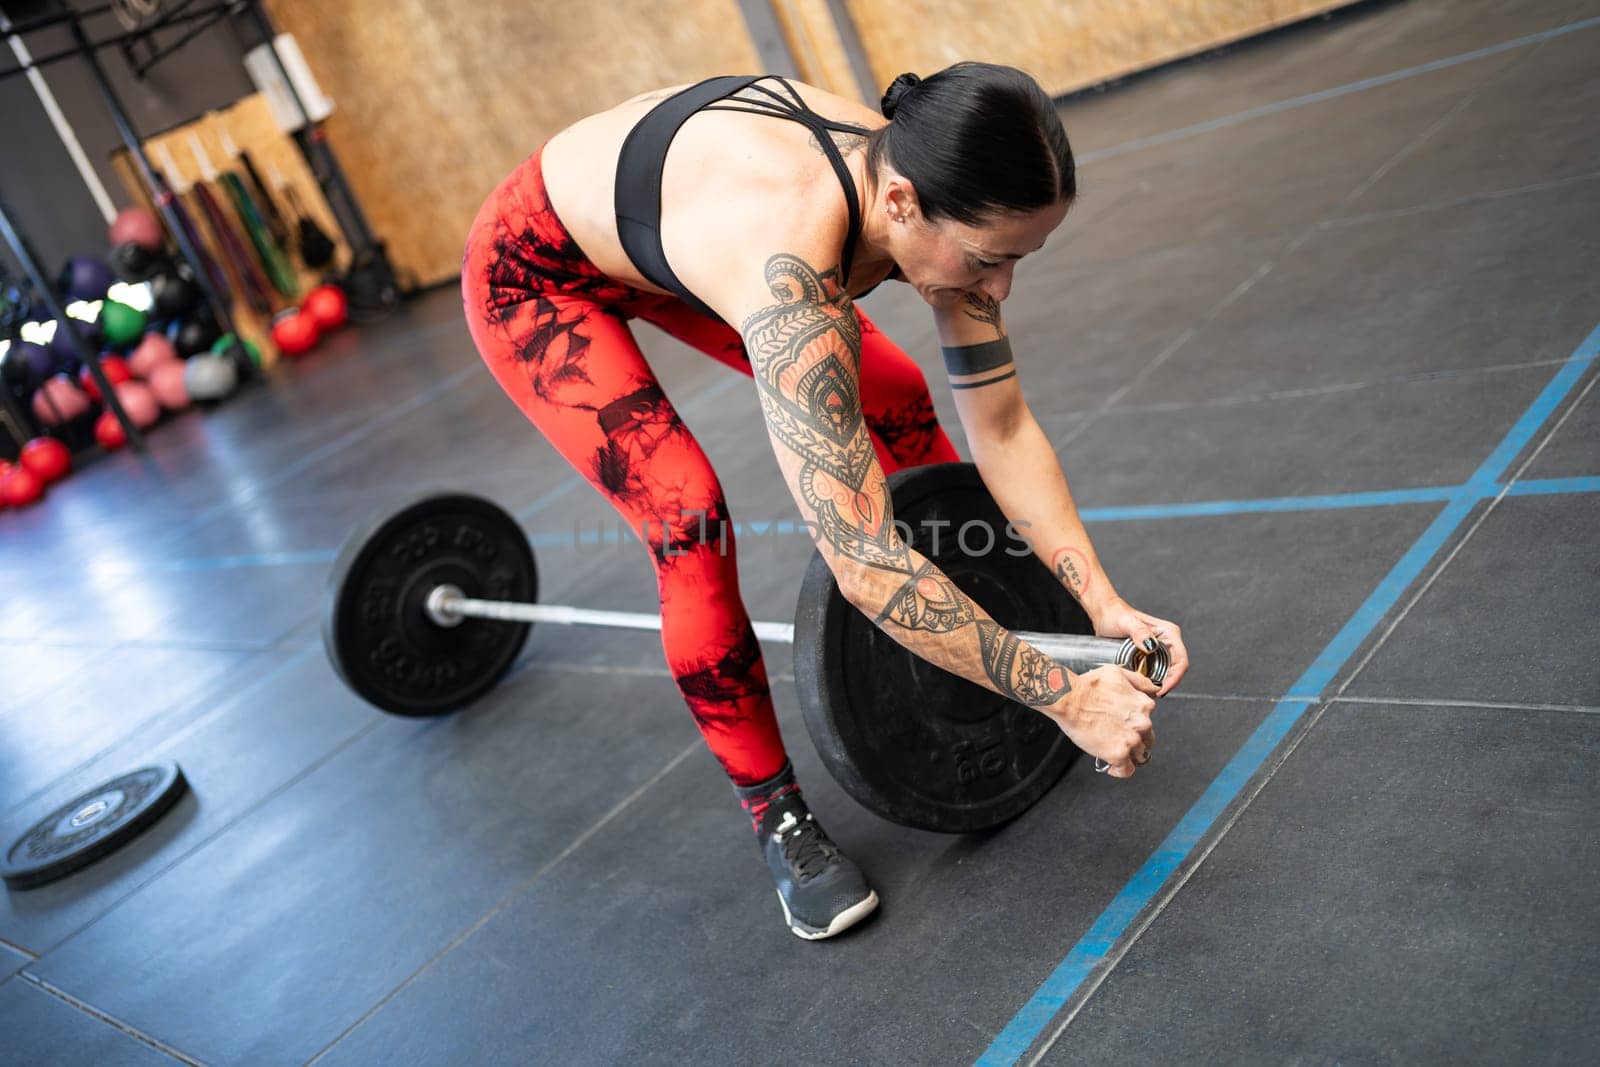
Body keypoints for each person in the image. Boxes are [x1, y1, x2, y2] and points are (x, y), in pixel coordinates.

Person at [462, 63, 1190, 940]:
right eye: (990, 261)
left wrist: (1098, 601)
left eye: (1018, 260)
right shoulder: (792, 278)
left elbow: (999, 426)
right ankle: (776, 814)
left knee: (894, 388)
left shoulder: (936, 179)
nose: (997, 292)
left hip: (670, 227)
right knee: (687, 516)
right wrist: (1067, 699)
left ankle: (984, 613)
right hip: (537, 273)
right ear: (900, 206)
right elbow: (863, 563)